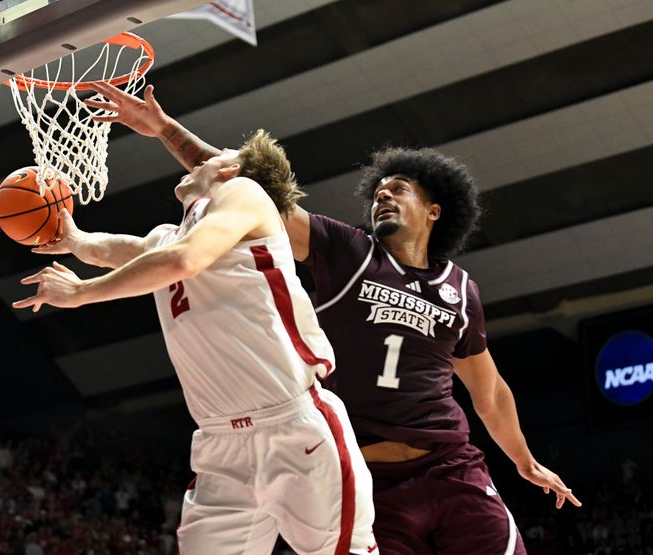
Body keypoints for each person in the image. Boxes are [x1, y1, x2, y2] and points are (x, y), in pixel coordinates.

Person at [89, 83, 583, 554]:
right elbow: (246, 187)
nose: (382, 196)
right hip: (370, 480)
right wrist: (164, 129)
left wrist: (524, 460)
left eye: (398, 189)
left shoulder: (460, 288)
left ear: (434, 211)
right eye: (378, 192)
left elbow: (489, 390)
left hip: (451, 468)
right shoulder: (348, 250)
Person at [13, 126, 379, 555]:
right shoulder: (170, 236)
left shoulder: (244, 193)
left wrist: (81, 293)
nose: (202, 158)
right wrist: (71, 237)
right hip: (220, 443)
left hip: (293, 426)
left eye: (216, 154)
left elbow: (183, 261)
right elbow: (114, 248)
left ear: (230, 169)